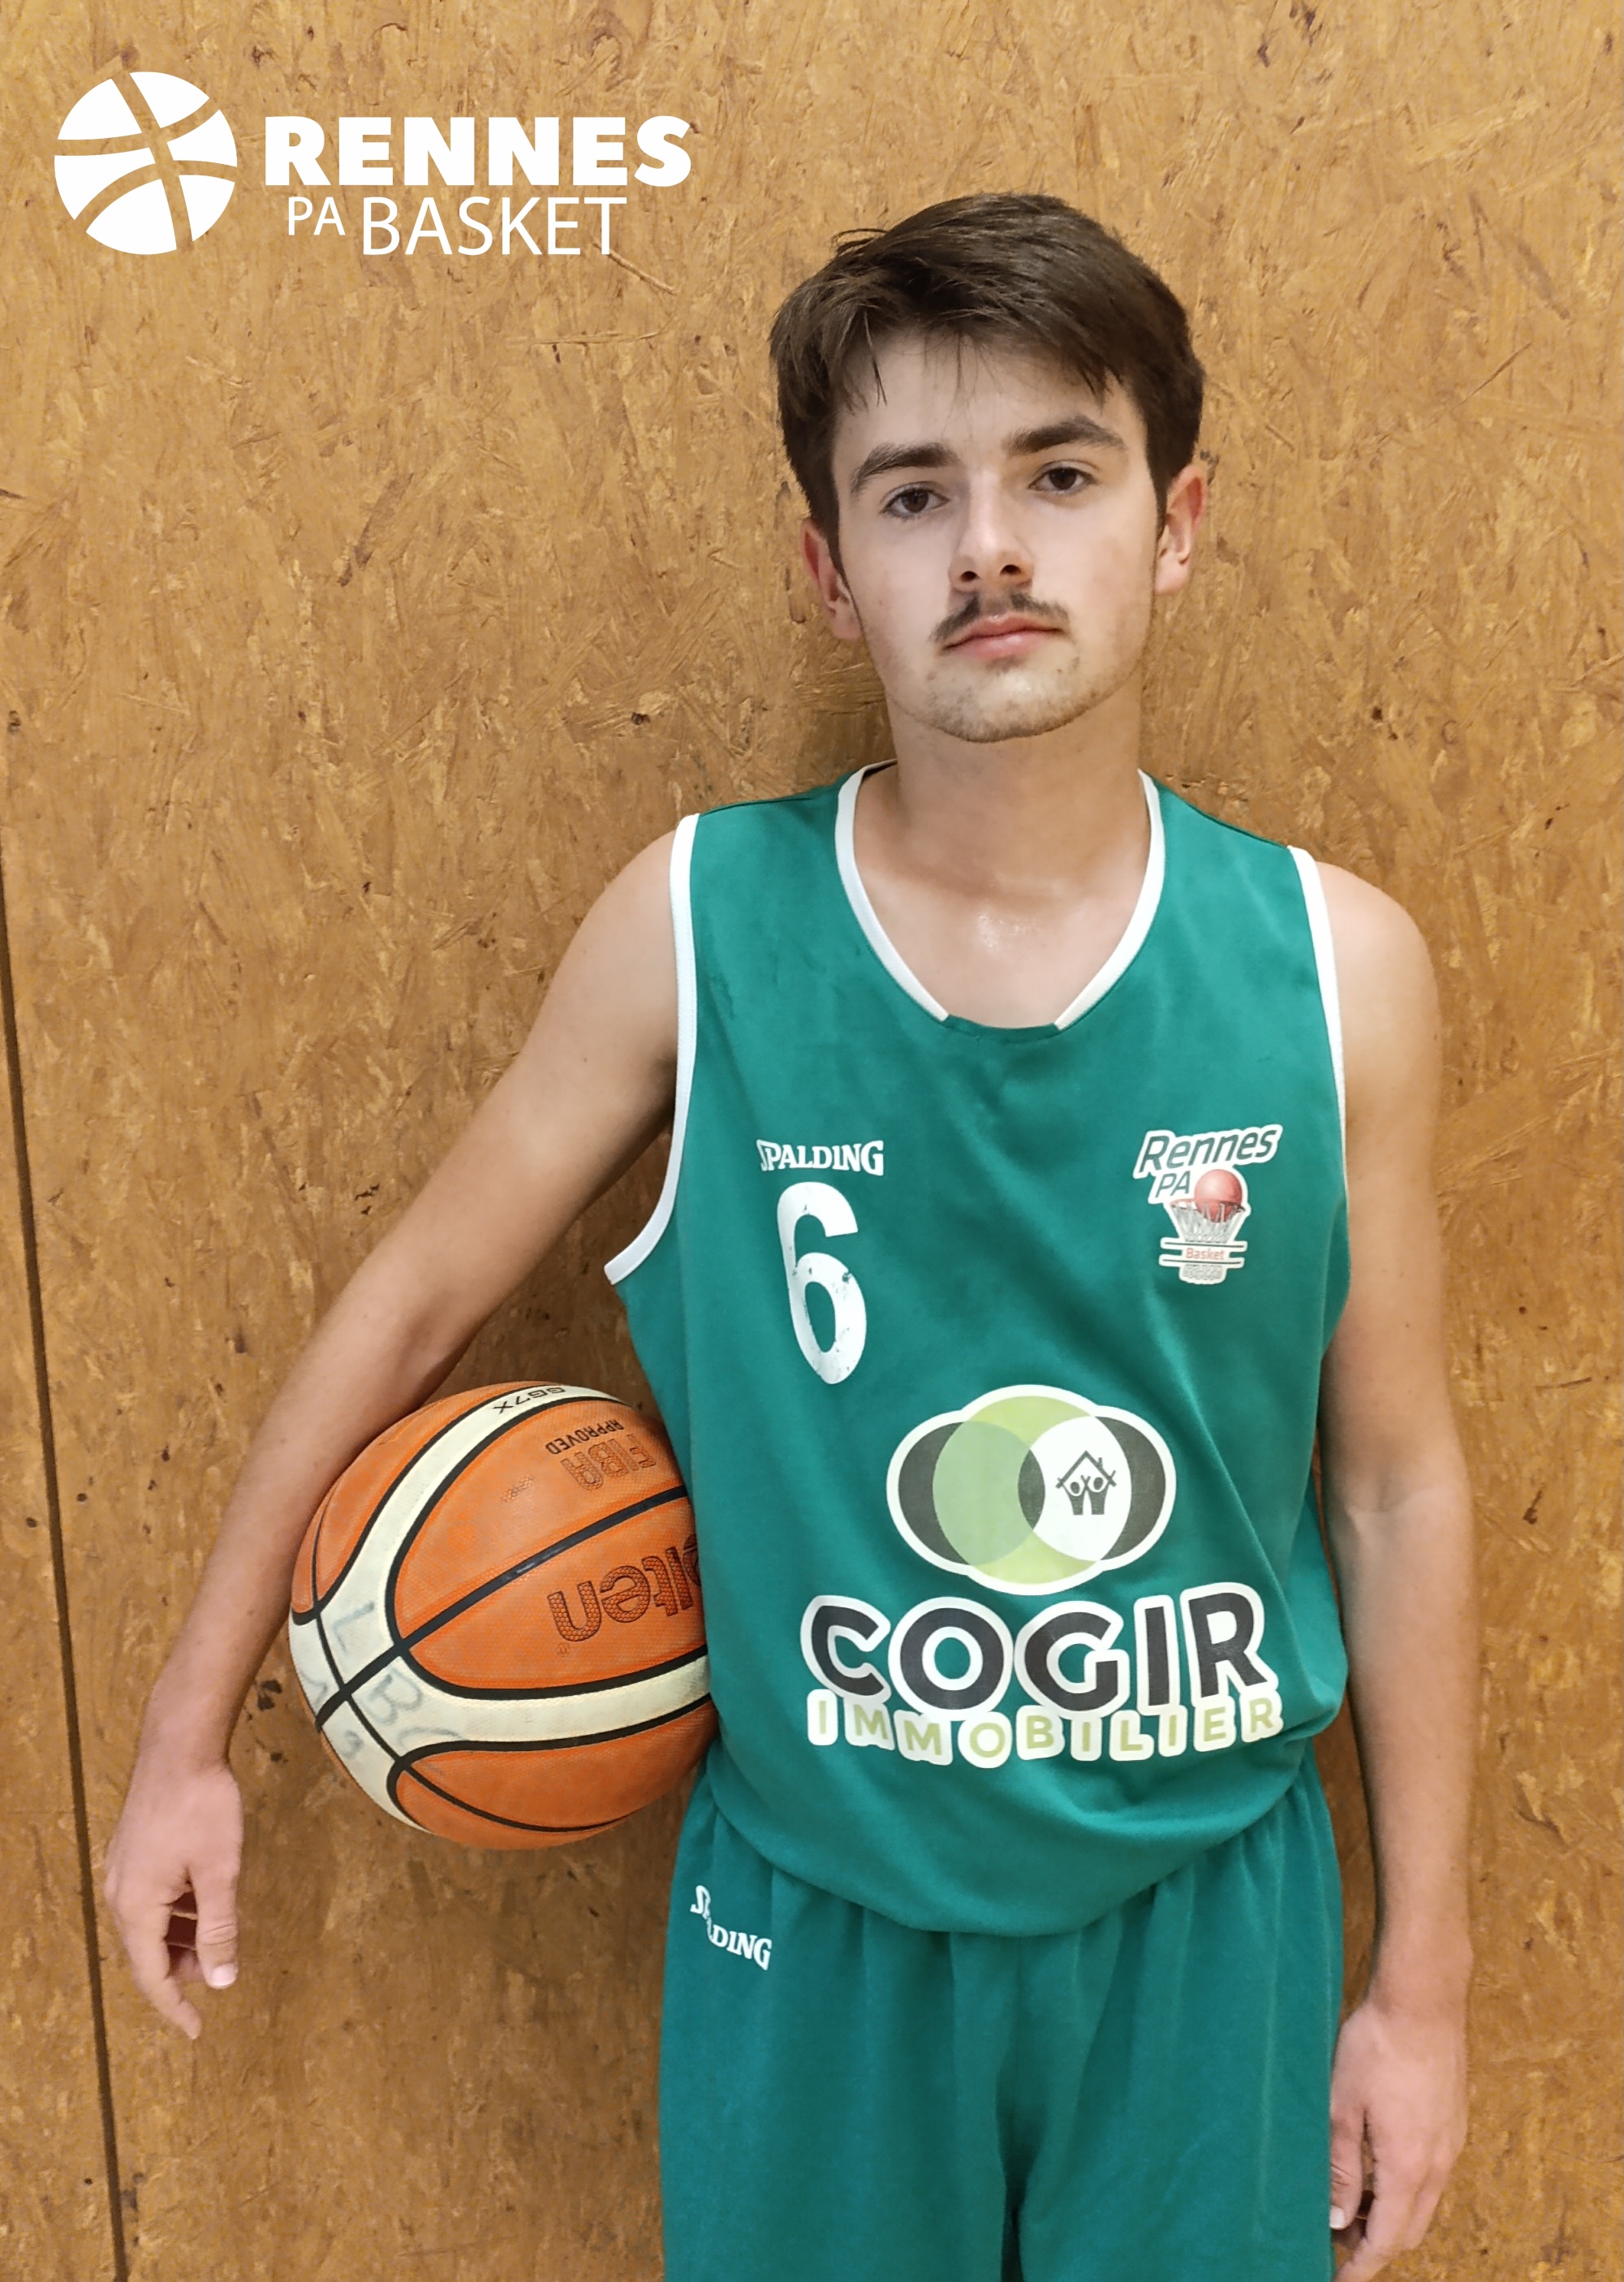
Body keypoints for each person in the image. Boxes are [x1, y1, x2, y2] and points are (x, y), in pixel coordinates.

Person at [105, 192, 1475, 2281]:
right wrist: (185, 1732)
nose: (989, 546)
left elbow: (1388, 1482)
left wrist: (1421, 1980)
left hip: (1207, 1914)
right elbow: (413, 1301)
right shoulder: (697, 923)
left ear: (1175, 524)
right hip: (818, 1921)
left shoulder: (1332, 967)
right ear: (827, 572)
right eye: (912, 493)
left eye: (1060, 473)